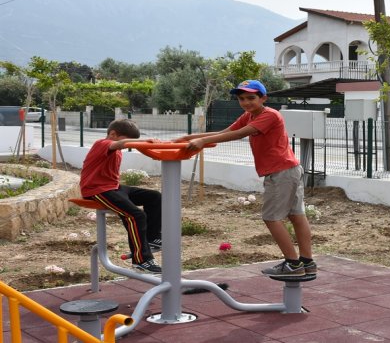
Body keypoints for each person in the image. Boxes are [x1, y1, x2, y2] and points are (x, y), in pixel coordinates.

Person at [174, 80, 315, 277]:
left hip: (281, 172)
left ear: (263, 98)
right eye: (241, 99)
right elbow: (227, 132)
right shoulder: (250, 115)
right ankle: (307, 262)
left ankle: (293, 264)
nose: (246, 102)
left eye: (251, 98)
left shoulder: (269, 115)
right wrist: (190, 137)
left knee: (272, 218)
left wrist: (202, 141)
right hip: (288, 169)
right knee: (295, 215)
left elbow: (239, 134)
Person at [79, 119, 163, 274]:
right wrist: (146, 141)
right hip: (95, 190)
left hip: (113, 187)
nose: (130, 145)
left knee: (155, 197)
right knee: (135, 215)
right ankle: (141, 260)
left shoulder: (115, 149)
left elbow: (121, 145)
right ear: (113, 134)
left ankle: (152, 239)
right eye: (128, 140)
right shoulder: (102, 143)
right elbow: (119, 144)